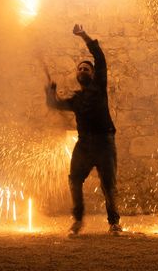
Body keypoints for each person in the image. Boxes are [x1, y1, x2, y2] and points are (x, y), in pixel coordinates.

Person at [45, 24, 121, 236]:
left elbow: (99, 55)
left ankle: (114, 222)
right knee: (74, 179)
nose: (82, 70)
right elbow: (55, 105)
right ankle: (78, 220)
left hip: (105, 143)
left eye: (86, 68)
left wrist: (83, 35)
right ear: (77, 75)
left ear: (93, 73)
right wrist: (50, 93)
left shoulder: (100, 85)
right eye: (80, 69)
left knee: (109, 185)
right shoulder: (76, 100)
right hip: (85, 144)